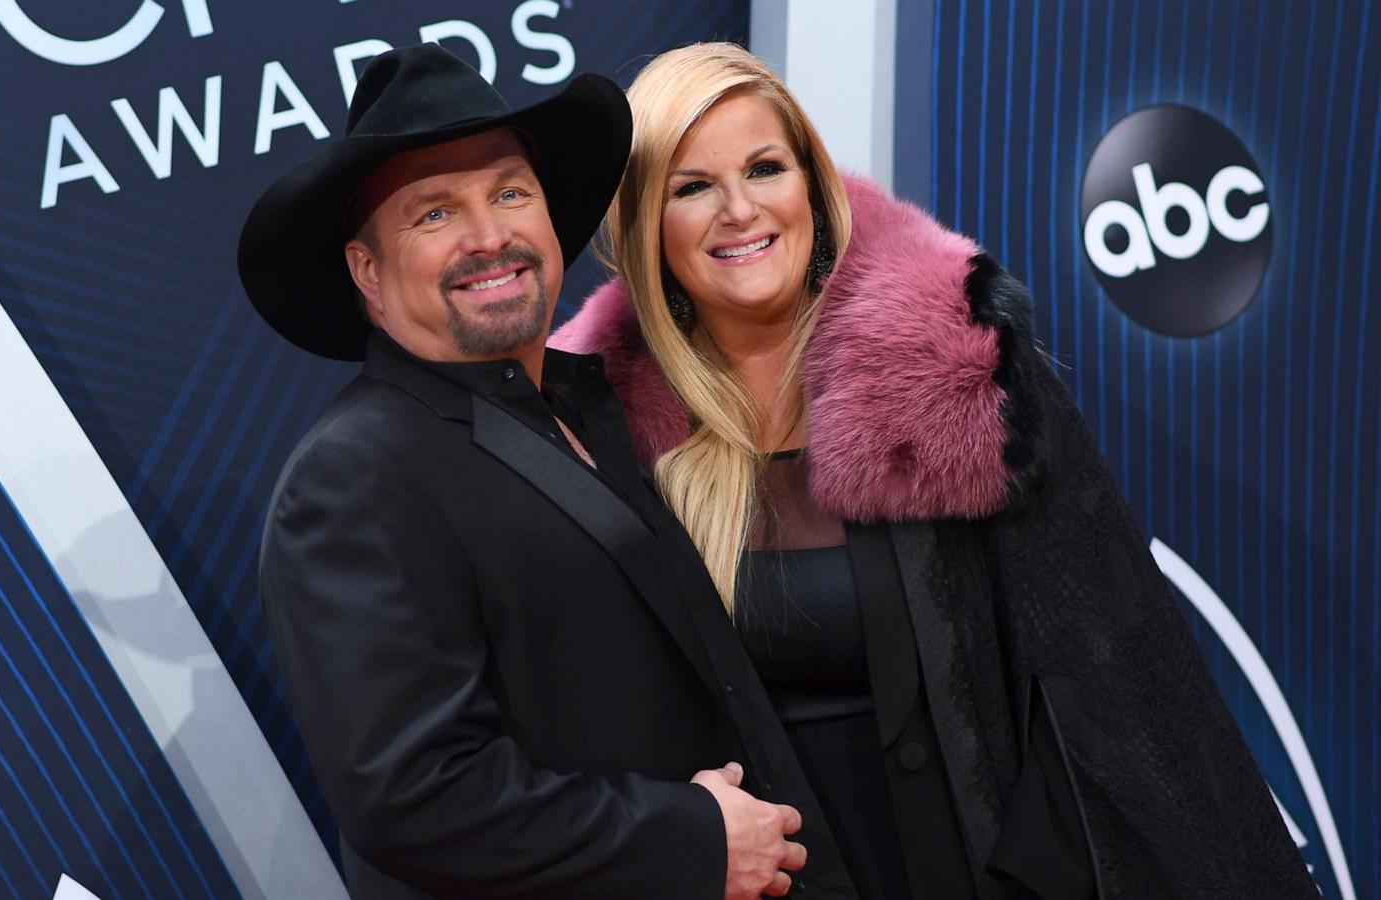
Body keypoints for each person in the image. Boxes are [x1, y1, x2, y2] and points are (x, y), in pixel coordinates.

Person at [553, 42, 1317, 899]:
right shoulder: (598, 439)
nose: (739, 209)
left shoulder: (958, 368)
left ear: (812, 185)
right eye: (693, 187)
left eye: (765, 168)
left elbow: (1113, 661)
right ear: (648, 224)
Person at [240, 44, 862, 898]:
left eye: (509, 192)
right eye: (433, 214)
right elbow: (415, 796)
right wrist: (688, 840)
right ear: (367, 274)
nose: (489, 235)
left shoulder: (598, 410)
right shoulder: (354, 476)